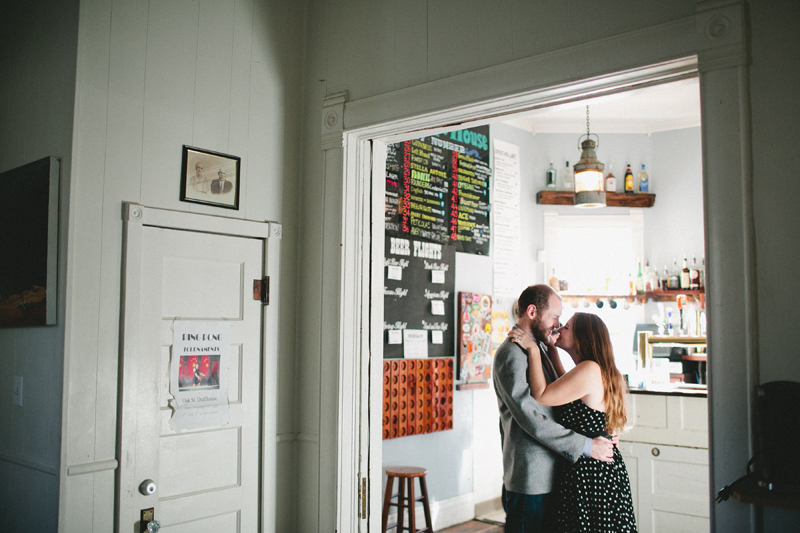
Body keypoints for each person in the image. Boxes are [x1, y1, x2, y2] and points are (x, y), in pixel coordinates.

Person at [493, 284, 617, 533]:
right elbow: (531, 416)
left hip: (558, 472)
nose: (556, 325)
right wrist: (585, 445)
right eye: (554, 317)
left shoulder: (540, 349)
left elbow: (569, 397)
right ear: (532, 312)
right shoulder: (512, 353)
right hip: (532, 478)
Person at [509, 311, 637, 532]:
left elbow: (542, 395)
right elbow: (564, 383)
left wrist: (533, 350)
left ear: (582, 337)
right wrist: (550, 349)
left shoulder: (588, 370)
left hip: (590, 473)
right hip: (602, 469)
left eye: (566, 326)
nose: (559, 328)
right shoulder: (594, 368)